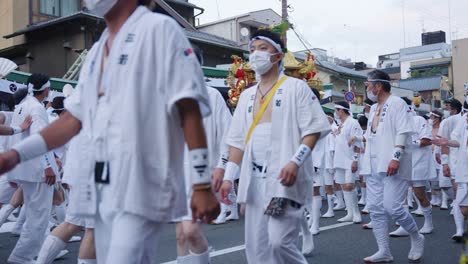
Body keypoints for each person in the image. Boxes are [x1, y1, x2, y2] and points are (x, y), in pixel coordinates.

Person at [0, 1, 219, 263]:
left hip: (141, 182)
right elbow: (71, 121)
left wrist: (202, 184)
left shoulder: (159, 29)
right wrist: (16, 154)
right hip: (100, 181)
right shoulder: (96, 50)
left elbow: (188, 109)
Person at [219, 28, 329, 264]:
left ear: (278, 56)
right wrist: (229, 178)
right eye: (252, 50)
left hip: (282, 182)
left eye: (262, 48)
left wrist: (295, 161)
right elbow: (237, 142)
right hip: (254, 183)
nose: (255, 54)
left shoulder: (295, 88)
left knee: (278, 241)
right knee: (257, 247)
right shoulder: (247, 96)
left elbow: (313, 129)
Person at [174, 45, 232, 264]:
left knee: (191, 232)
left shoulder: (212, 96)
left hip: (203, 175)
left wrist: (222, 167)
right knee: (181, 235)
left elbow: (229, 135)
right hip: (176, 177)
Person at [363, 70, 424, 263]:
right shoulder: (373, 108)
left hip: (391, 163)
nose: (367, 89)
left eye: (368, 85)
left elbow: (403, 132)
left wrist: (396, 157)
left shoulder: (397, 103)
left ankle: (416, 235)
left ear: (378, 86)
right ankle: (384, 251)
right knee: (375, 209)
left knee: (393, 207)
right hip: (373, 164)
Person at [4, 73, 59, 264]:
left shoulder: (22, 106)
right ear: (46, 89)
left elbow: (14, 136)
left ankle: (27, 254)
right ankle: (22, 256)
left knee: (35, 214)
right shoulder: (36, 108)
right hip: (37, 170)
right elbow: (40, 139)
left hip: (23, 167)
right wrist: (48, 167)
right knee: (38, 217)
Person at [389, 97, 434, 237]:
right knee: (401, 194)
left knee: (419, 194)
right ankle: (404, 226)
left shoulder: (418, 120)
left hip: (418, 162)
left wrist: (408, 142)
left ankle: (429, 223)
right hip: (402, 162)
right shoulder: (395, 122)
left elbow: (427, 140)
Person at [333, 101, 362, 224]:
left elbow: (357, 144)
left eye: (336, 110)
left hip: (350, 160)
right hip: (339, 160)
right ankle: (349, 213)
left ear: (341, 110)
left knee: (350, 185)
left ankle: (356, 213)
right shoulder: (341, 124)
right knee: (344, 186)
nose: (335, 112)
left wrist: (355, 160)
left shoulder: (353, 122)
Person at [438, 98, 463, 240]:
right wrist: (445, 163)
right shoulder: (448, 122)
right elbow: (444, 143)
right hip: (456, 162)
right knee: (458, 194)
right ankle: (459, 230)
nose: (445, 110)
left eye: (447, 107)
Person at [321, 112, 338, 218]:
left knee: (333, 185)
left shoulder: (333, 130)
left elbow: (333, 150)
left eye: (327, 118)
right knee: (330, 185)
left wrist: (332, 164)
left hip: (331, 162)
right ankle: (331, 208)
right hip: (325, 161)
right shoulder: (326, 130)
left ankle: (333, 208)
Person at [429, 110, 444, 207]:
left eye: (432, 117)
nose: (431, 119)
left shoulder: (441, 128)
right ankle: (433, 197)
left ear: (437, 119)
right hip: (428, 155)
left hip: (438, 154)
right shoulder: (428, 128)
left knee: (438, 178)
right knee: (431, 178)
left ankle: (440, 198)